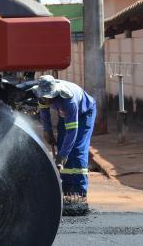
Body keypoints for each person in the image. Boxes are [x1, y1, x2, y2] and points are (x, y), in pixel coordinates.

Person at [32, 75, 96, 212]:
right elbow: (44, 113)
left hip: (84, 114)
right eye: (44, 97)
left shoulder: (69, 100)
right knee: (62, 146)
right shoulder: (42, 95)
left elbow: (72, 131)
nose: (45, 99)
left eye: (48, 97)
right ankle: (67, 192)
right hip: (65, 115)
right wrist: (47, 131)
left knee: (77, 150)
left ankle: (79, 194)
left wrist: (63, 155)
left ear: (54, 93)